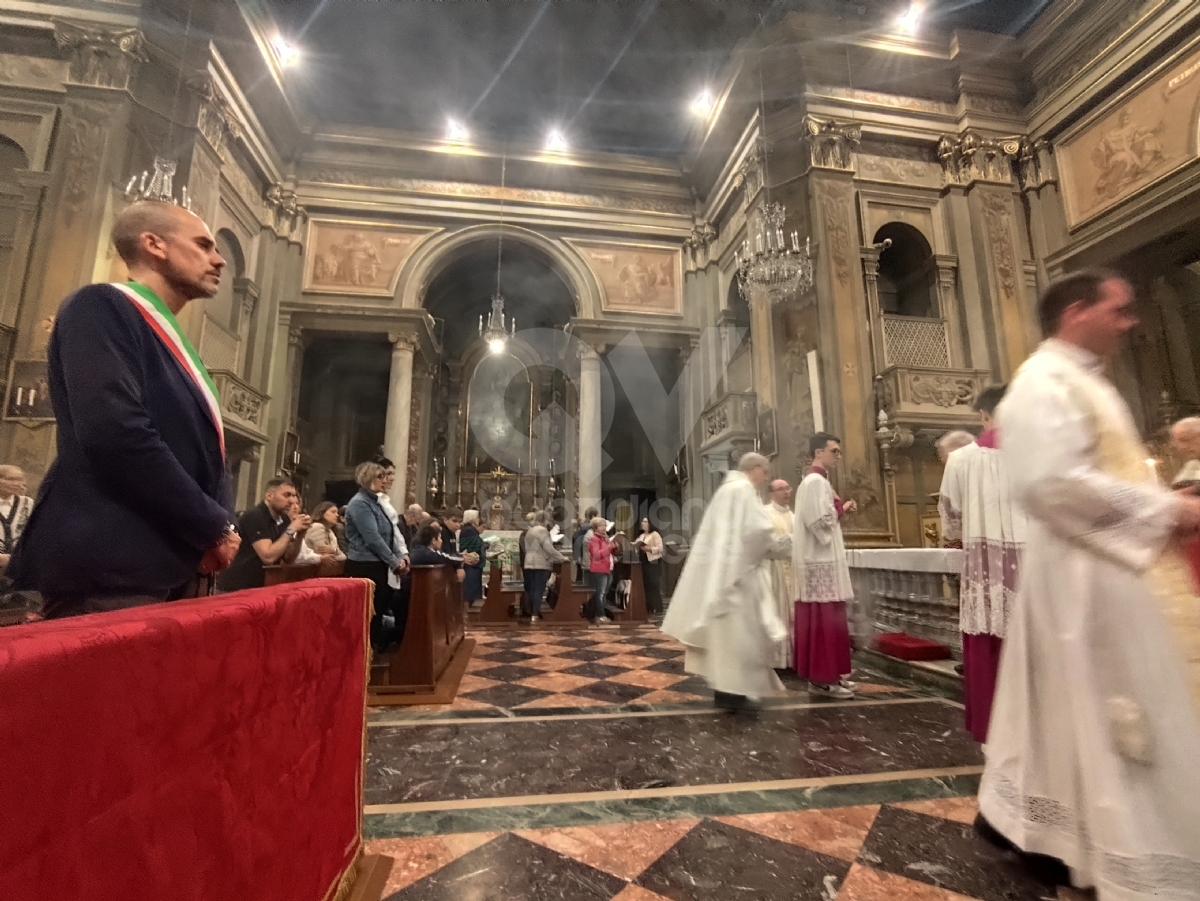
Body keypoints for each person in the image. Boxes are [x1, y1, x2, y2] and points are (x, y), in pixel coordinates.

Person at [976, 269, 1200, 898]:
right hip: (1086, 578)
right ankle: (1112, 840)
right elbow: (1050, 485)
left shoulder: (1078, 381)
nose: (1131, 322)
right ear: (1077, 311)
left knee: (1081, 712)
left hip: (1104, 566)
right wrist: (1168, 512)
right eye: (1119, 309)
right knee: (1109, 712)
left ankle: (1056, 834)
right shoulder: (1042, 384)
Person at [10, 201, 241, 616]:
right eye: (204, 245)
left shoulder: (173, 342)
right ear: (154, 244)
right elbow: (116, 433)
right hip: (111, 562)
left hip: (171, 561)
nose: (219, 259)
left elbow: (203, 451)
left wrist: (217, 528)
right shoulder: (99, 306)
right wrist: (212, 524)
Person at [661, 452, 788, 713]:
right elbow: (757, 531)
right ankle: (735, 694)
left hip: (725, 575)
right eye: (765, 472)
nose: (766, 478)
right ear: (754, 468)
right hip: (739, 578)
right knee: (741, 638)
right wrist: (779, 546)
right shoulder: (743, 490)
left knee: (728, 640)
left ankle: (728, 692)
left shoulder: (726, 490)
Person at [938, 384, 1029, 743]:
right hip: (1030, 562)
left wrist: (957, 535)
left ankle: (993, 726)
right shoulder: (1033, 456)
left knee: (988, 642)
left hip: (985, 564)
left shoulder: (961, 459)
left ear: (983, 416)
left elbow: (950, 516)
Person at [793, 432, 858, 699]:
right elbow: (818, 523)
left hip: (823, 561)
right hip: (818, 561)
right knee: (823, 621)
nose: (838, 457)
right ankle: (821, 680)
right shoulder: (815, 481)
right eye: (834, 451)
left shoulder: (817, 482)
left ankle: (833, 674)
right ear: (819, 452)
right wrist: (840, 508)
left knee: (831, 620)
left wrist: (838, 508)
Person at [344, 461, 409, 651]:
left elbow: (389, 533)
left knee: (378, 611)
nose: (385, 480)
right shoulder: (359, 503)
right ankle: (364, 654)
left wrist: (400, 556)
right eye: (380, 476)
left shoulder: (375, 502)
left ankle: (372, 651)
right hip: (364, 565)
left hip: (378, 564)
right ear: (368, 478)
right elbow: (372, 538)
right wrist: (394, 561)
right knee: (368, 614)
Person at [218, 479, 310, 591]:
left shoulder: (284, 519)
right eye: (287, 495)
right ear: (269, 495)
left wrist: (300, 536)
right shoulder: (255, 516)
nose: (292, 500)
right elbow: (268, 557)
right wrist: (291, 529)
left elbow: (288, 558)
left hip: (263, 584)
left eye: (294, 495)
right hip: (238, 585)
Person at [764, 479, 795, 668]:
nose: (786, 492)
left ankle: (793, 658)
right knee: (777, 613)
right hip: (774, 571)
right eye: (781, 489)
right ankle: (775, 659)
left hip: (793, 570)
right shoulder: (765, 514)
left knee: (793, 615)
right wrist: (795, 539)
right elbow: (768, 543)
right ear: (771, 493)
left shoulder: (794, 515)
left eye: (788, 488)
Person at [1169, 416, 1200, 588]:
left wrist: (1192, 491)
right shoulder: (1192, 466)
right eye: (1179, 442)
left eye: (1186, 440)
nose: (1182, 447)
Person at [522, 510, 566, 621]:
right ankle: (535, 614)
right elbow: (548, 548)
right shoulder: (542, 531)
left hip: (529, 562)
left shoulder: (530, 531)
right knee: (539, 589)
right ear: (544, 520)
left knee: (532, 589)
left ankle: (532, 612)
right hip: (540, 563)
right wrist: (562, 558)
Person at [586, 516, 620, 624]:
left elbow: (608, 553)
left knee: (604, 593)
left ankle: (601, 614)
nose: (604, 527)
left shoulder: (605, 538)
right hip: (599, 569)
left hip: (608, 568)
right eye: (601, 525)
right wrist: (609, 547)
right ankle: (599, 615)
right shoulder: (594, 539)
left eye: (605, 525)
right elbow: (596, 555)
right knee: (599, 593)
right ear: (595, 528)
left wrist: (615, 548)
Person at [0, 465, 34, 571]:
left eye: (20, 479)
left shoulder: (27, 503)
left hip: (17, 567)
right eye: (11, 479)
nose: (17, 484)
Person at [633, 517, 664, 617]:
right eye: (642, 521)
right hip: (643, 561)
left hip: (653, 561)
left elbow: (660, 548)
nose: (643, 523)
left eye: (645, 522)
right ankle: (649, 607)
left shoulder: (655, 534)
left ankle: (658, 607)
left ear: (650, 523)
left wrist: (649, 549)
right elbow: (637, 546)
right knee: (646, 585)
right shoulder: (641, 536)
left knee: (654, 584)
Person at [458, 509, 486, 605]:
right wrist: (486, 544)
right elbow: (477, 545)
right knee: (469, 589)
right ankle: (467, 610)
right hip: (471, 564)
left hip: (474, 564)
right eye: (477, 517)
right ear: (473, 519)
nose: (478, 519)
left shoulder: (469, 529)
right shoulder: (469, 530)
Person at [573, 507, 598, 582]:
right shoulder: (589, 527)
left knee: (580, 576)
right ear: (593, 516)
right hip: (586, 555)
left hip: (578, 553)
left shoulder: (582, 526)